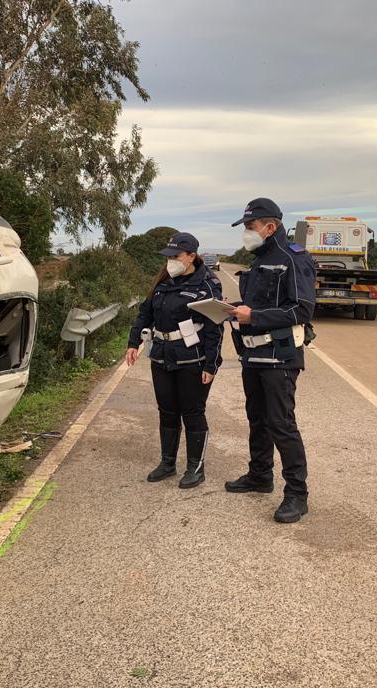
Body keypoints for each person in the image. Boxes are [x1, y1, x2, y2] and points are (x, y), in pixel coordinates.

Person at [224, 198, 316, 523]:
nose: (247, 233)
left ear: (269, 227)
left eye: (250, 227)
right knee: (257, 419)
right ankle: (260, 475)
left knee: (281, 423)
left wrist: (255, 315)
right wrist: (230, 309)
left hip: (280, 356)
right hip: (253, 355)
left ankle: (297, 495)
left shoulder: (293, 259)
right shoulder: (257, 262)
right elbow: (257, 306)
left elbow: (301, 309)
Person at [125, 232, 224, 488]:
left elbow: (215, 328)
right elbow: (144, 314)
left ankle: (195, 467)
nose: (170, 261)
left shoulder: (207, 285)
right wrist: (132, 343)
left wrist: (211, 364)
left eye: (176, 256)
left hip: (192, 360)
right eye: (168, 256)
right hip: (161, 358)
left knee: (192, 412)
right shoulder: (163, 282)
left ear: (191, 256)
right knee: (167, 411)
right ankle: (167, 462)